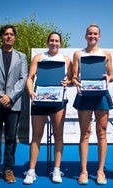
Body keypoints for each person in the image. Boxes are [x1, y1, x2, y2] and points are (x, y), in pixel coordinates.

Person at [23, 32, 72, 184]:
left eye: (57, 41)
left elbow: (71, 80)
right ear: (47, 42)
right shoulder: (38, 58)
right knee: (36, 136)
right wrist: (31, 92)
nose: (54, 43)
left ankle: (57, 169)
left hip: (59, 103)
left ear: (60, 43)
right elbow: (30, 78)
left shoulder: (66, 60)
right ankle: (31, 171)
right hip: (39, 101)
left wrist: (68, 82)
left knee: (58, 135)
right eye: (51, 40)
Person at [0, 24, 28, 183]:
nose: (9, 36)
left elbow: (23, 79)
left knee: (10, 139)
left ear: (14, 37)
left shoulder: (21, 57)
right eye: (6, 34)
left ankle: (8, 169)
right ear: (1, 37)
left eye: (11, 34)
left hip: (13, 104)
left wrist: (10, 97)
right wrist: (0, 96)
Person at [71, 24, 113, 185]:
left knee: (102, 132)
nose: (92, 36)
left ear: (99, 36)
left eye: (95, 33)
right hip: (85, 95)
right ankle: (83, 172)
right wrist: (77, 83)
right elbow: (74, 76)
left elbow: (111, 75)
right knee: (85, 133)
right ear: (85, 35)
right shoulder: (78, 54)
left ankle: (100, 171)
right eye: (90, 33)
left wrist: (108, 79)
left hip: (101, 95)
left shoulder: (106, 54)